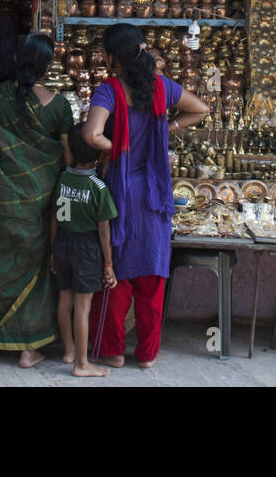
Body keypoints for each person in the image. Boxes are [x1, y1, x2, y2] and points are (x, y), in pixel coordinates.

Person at [81, 23, 210, 369]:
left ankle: (112, 350)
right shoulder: (161, 87)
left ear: (112, 58)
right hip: (155, 194)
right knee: (152, 276)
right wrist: (167, 128)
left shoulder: (109, 91)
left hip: (122, 192)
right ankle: (148, 354)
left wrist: (116, 148)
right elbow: (200, 109)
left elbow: (92, 135)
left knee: (119, 274)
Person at [0, 33, 72, 367]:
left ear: (15, 60)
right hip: (37, 202)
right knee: (35, 273)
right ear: (48, 65)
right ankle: (29, 349)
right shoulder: (58, 106)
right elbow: (68, 158)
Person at [50, 124, 118, 379]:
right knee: (82, 307)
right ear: (99, 155)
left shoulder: (62, 179)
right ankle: (81, 363)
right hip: (86, 249)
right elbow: (104, 231)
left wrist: (53, 252)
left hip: (63, 244)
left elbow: (54, 218)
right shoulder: (98, 187)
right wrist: (108, 264)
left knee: (64, 300)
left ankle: (69, 350)